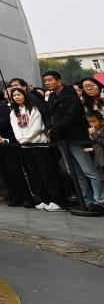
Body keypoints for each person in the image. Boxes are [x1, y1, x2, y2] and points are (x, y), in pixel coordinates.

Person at [44, 70, 104, 211]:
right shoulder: (52, 96)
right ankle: (86, 201)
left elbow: (70, 117)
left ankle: (100, 201)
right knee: (75, 172)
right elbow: (49, 115)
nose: (47, 83)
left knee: (90, 171)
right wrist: (50, 129)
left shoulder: (70, 95)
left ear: (59, 80)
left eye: (50, 80)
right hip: (60, 140)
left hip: (76, 139)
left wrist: (54, 130)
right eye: (45, 81)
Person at [8, 87, 63, 211]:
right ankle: (44, 199)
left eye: (19, 94)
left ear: (25, 95)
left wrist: (27, 138)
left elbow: (38, 126)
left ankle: (56, 200)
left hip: (39, 145)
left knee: (47, 173)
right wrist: (21, 139)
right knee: (34, 174)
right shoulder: (13, 112)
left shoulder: (33, 108)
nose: (17, 97)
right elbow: (15, 127)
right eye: (14, 95)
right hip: (24, 146)